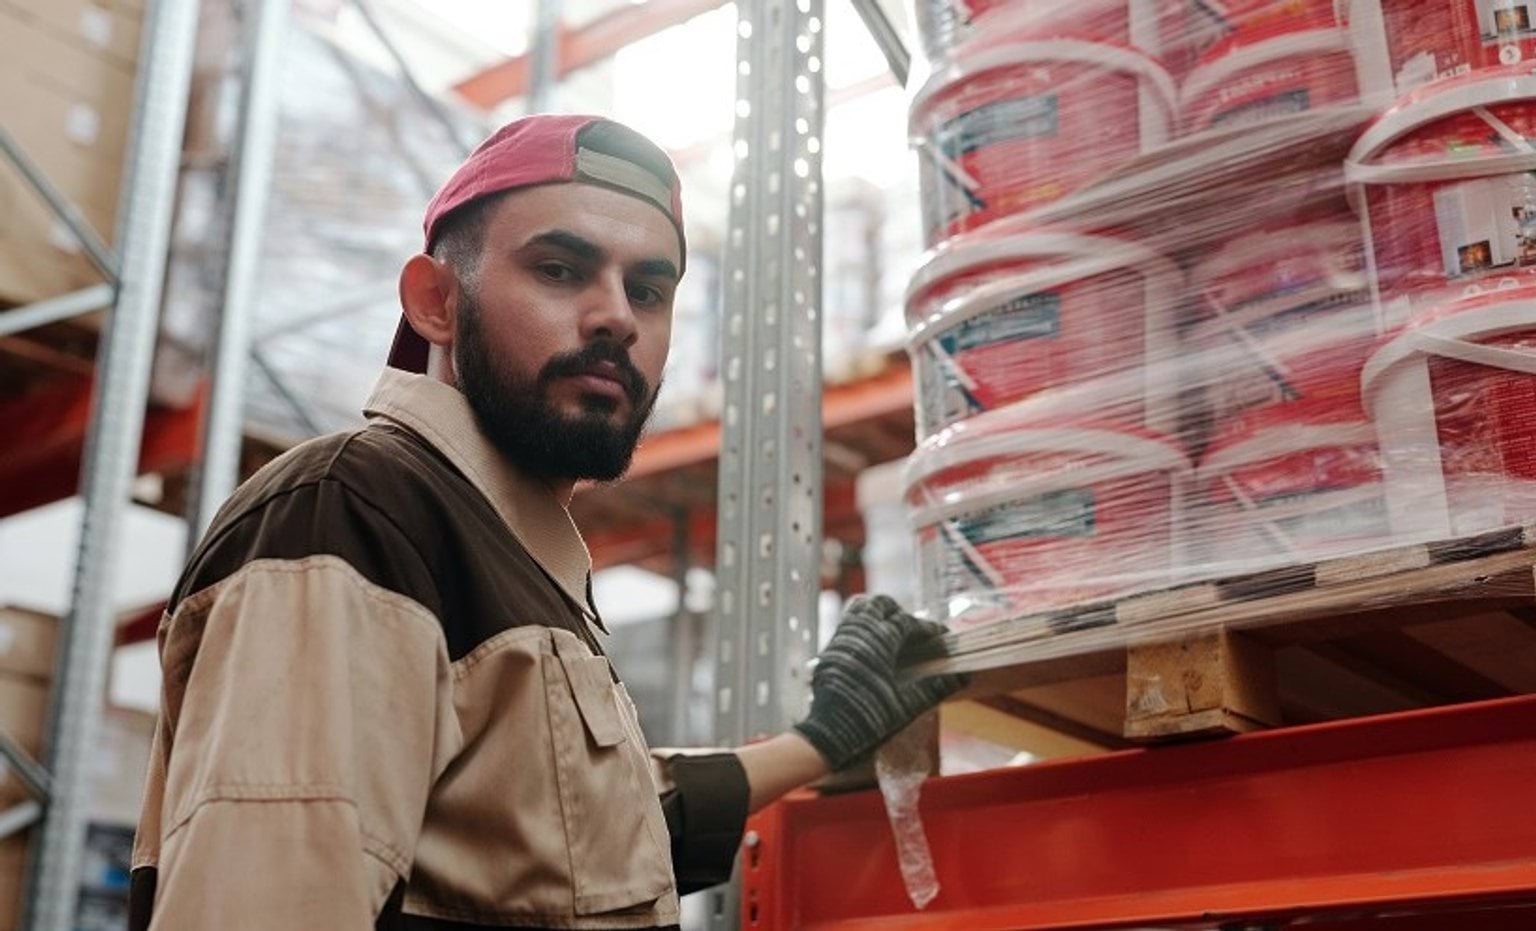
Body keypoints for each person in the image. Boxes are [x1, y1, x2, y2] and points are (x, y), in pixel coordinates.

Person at [128, 114, 965, 930]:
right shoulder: (354, 514)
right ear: (435, 304)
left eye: (648, 289)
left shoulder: (513, 553)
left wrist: (822, 738)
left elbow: (574, 845)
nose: (617, 319)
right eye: (561, 269)